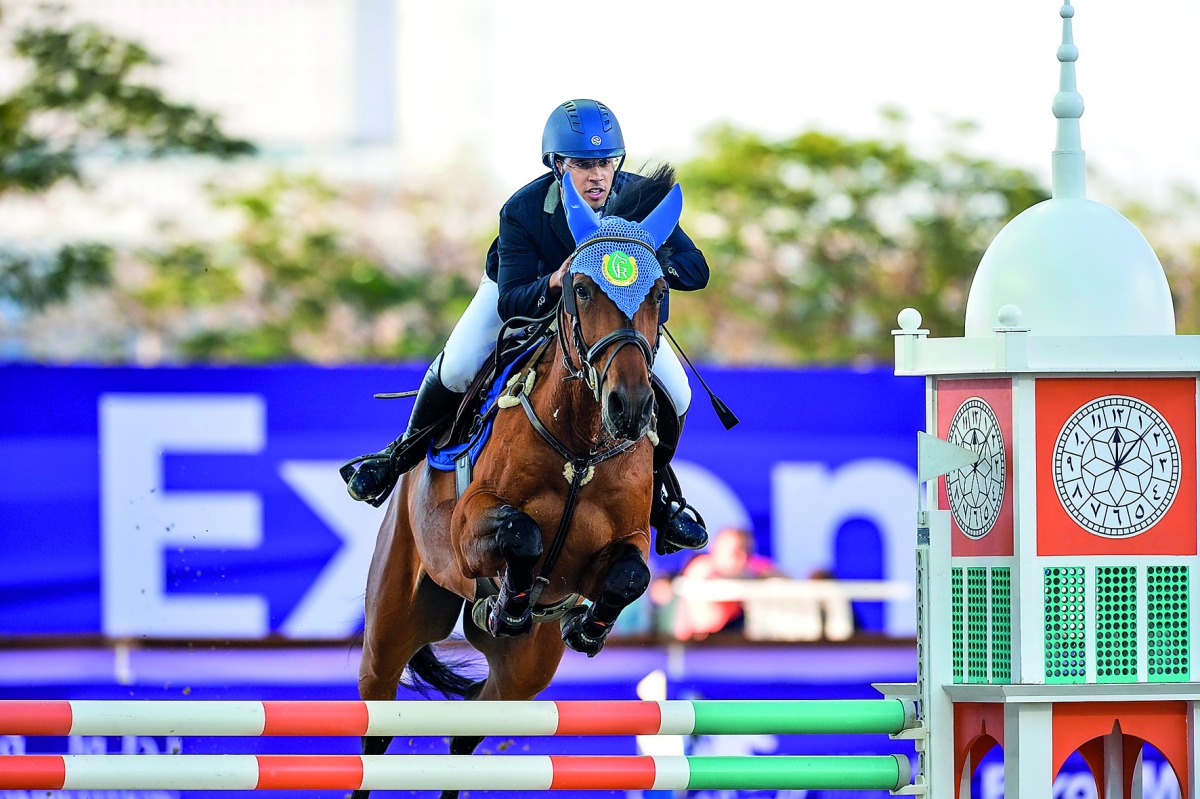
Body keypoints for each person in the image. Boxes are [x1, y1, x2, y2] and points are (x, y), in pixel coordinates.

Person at [342, 98, 710, 555]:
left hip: (610, 320)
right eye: (583, 164)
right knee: (457, 366)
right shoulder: (523, 209)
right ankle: (398, 453)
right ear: (557, 164)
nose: (597, 175)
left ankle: (662, 499)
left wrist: (645, 261)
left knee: (679, 392)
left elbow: (697, 271)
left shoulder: (645, 201)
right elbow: (513, 297)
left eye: (607, 162)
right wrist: (557, 280)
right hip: (524, 297)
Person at [669, 527, 786, 640]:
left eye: (748, 551)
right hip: (697, 648)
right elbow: (704, 621)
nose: (743, 557)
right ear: (717, 549)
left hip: (737, 648)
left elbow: (783, 577)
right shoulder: (701, 568)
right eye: (736, 552)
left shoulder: (750, 568)